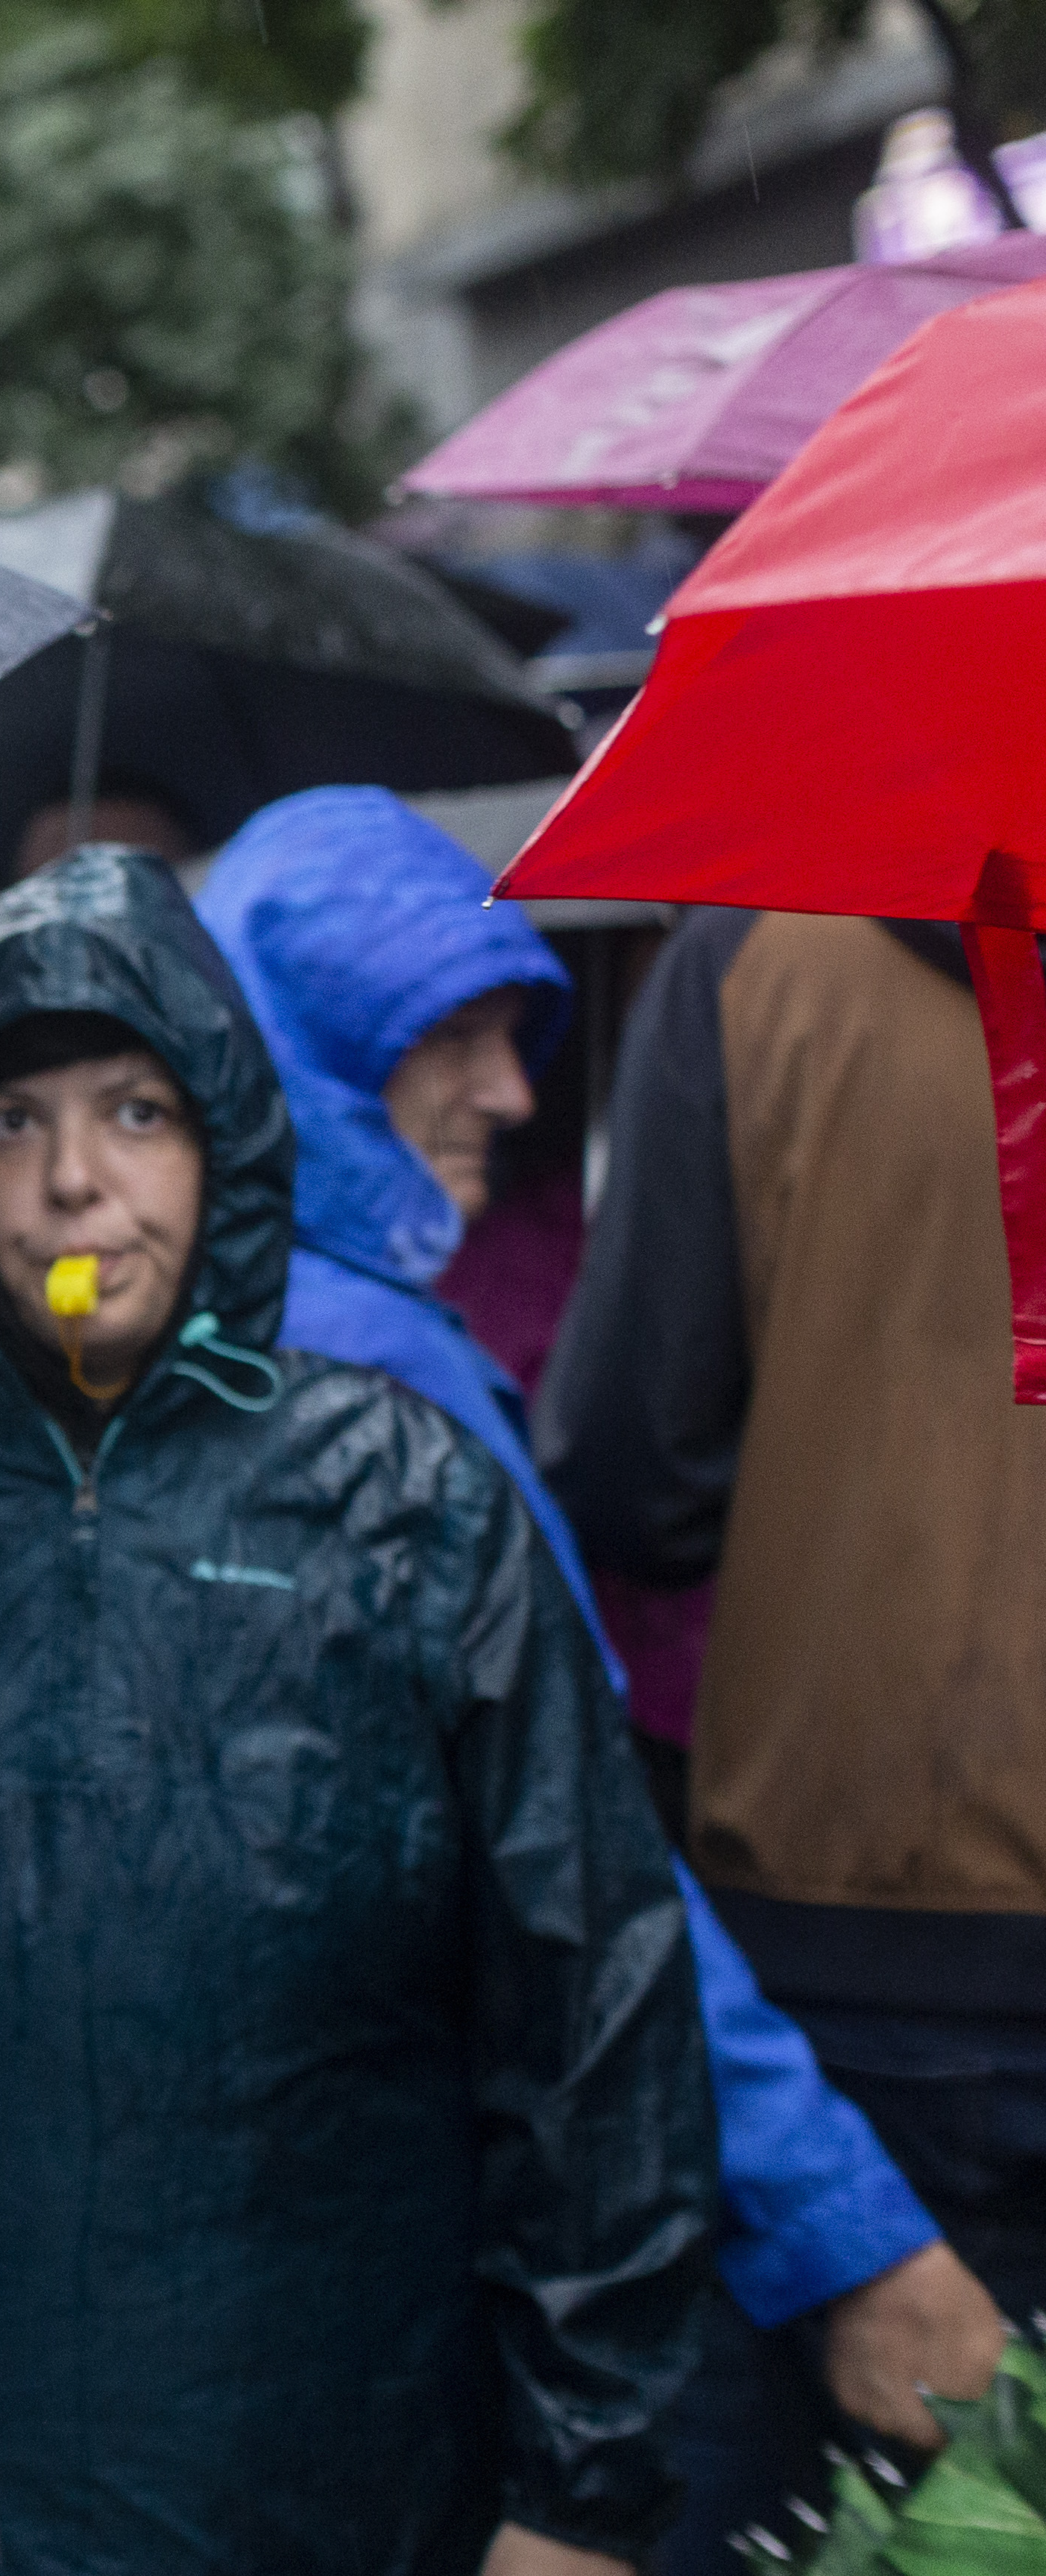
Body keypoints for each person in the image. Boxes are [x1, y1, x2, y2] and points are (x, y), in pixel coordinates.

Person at [0, 847, 713, 2576]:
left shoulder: (405, 1503)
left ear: (221, 1137)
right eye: (11, 1122)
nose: (74, 1182)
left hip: (334, 2478)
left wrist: (572, 2495)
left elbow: (588, 2016)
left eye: (134, 1110)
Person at [196, 790, 999, 2564]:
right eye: (449, 1034)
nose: (505, 1090)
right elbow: (583, 1871)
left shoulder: (189, 1348)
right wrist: (844, 2230)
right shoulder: (379, 1393)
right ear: (309, 1049)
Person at [542, 899, 1046, 2513]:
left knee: (878, 2520)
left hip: (859, 1905)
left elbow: (635, 1463)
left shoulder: (756, 956)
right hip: (885, 1921)